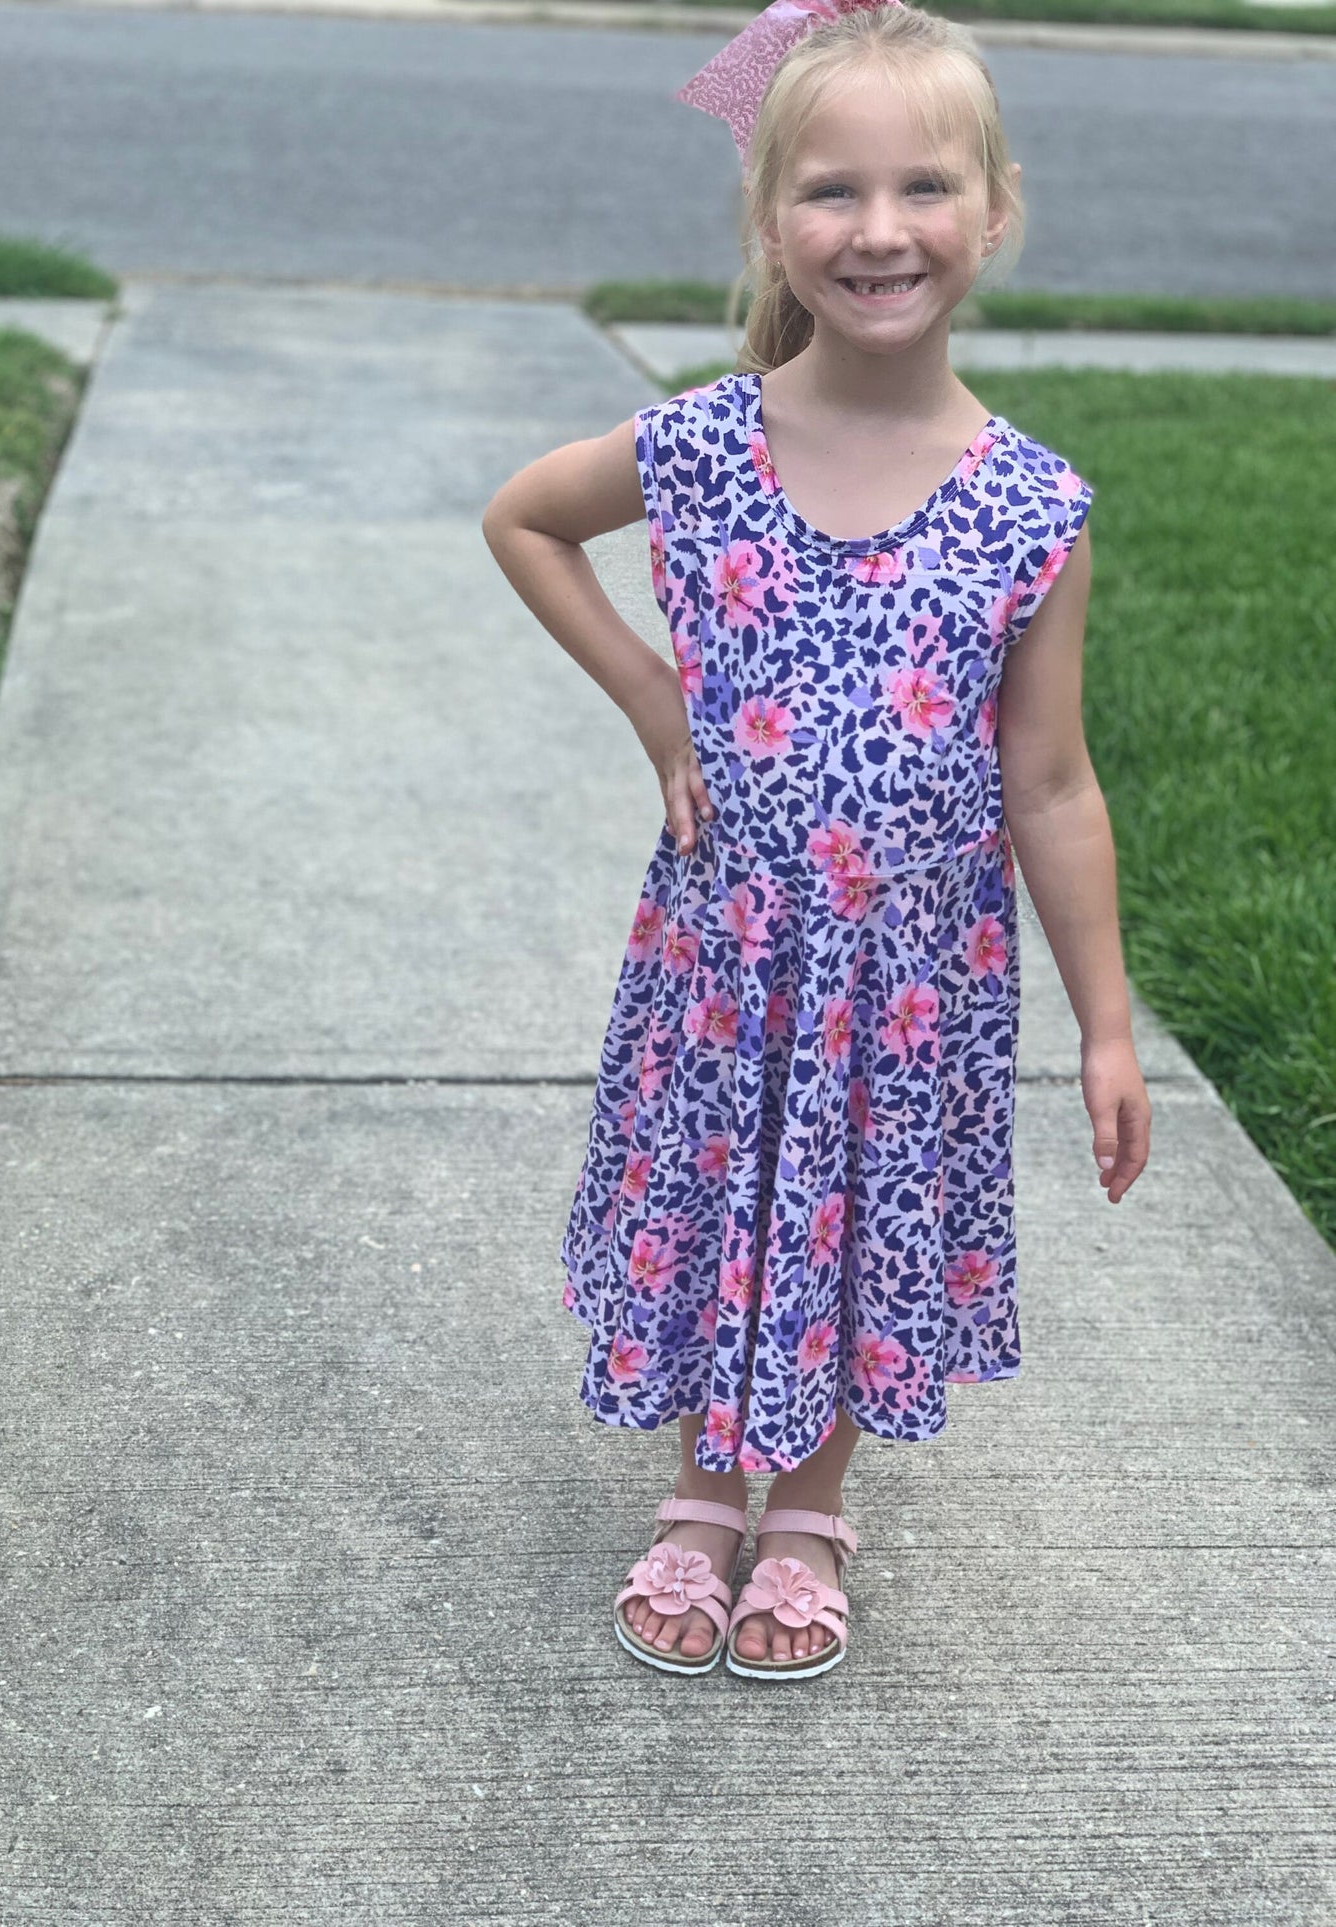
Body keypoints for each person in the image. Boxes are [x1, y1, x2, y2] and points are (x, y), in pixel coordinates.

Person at [481, 0, 1150, 1682]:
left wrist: (1110, 1021)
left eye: (922, 187)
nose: (877, 231)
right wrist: (651, 696)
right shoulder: (705, 448)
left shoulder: (1028, 506)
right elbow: (525, 519)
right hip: (725, 958)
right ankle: (707, 1488)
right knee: (720, 1201)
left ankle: (811, 1507)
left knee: (859, 1220)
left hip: (911, 984)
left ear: (994, 207)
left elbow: (1050, 784)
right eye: (830, 193)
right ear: (770, 217)